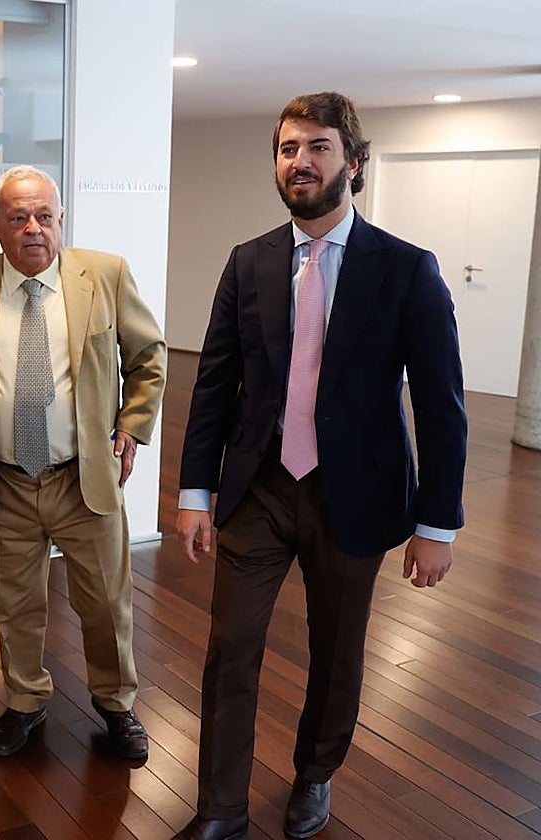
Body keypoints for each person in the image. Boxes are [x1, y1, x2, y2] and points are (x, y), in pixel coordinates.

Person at [173, 92, 467, 840]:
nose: (298, 162)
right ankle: (220, 810)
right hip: (259, 490)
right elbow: (215, 384)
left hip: (356, 497)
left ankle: (315, 774)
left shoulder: (406, 271)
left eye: (317, 148)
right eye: (286, 148)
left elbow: (441, 407)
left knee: (336, 652)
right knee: (230, 647)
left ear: (354, 165)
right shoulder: (249, 262)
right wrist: (195, 491)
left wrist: (438, 524)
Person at [0, 164, 167, 761]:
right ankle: (25, 700)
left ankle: (116, 705)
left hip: (82, 478)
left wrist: (132, 428)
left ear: (60, 220)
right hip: (5, 480)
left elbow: (149, 356)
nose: (33, 228)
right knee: (14, 602)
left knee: (106, 602)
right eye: (18, 217)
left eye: (45, 216)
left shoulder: (104, 275)